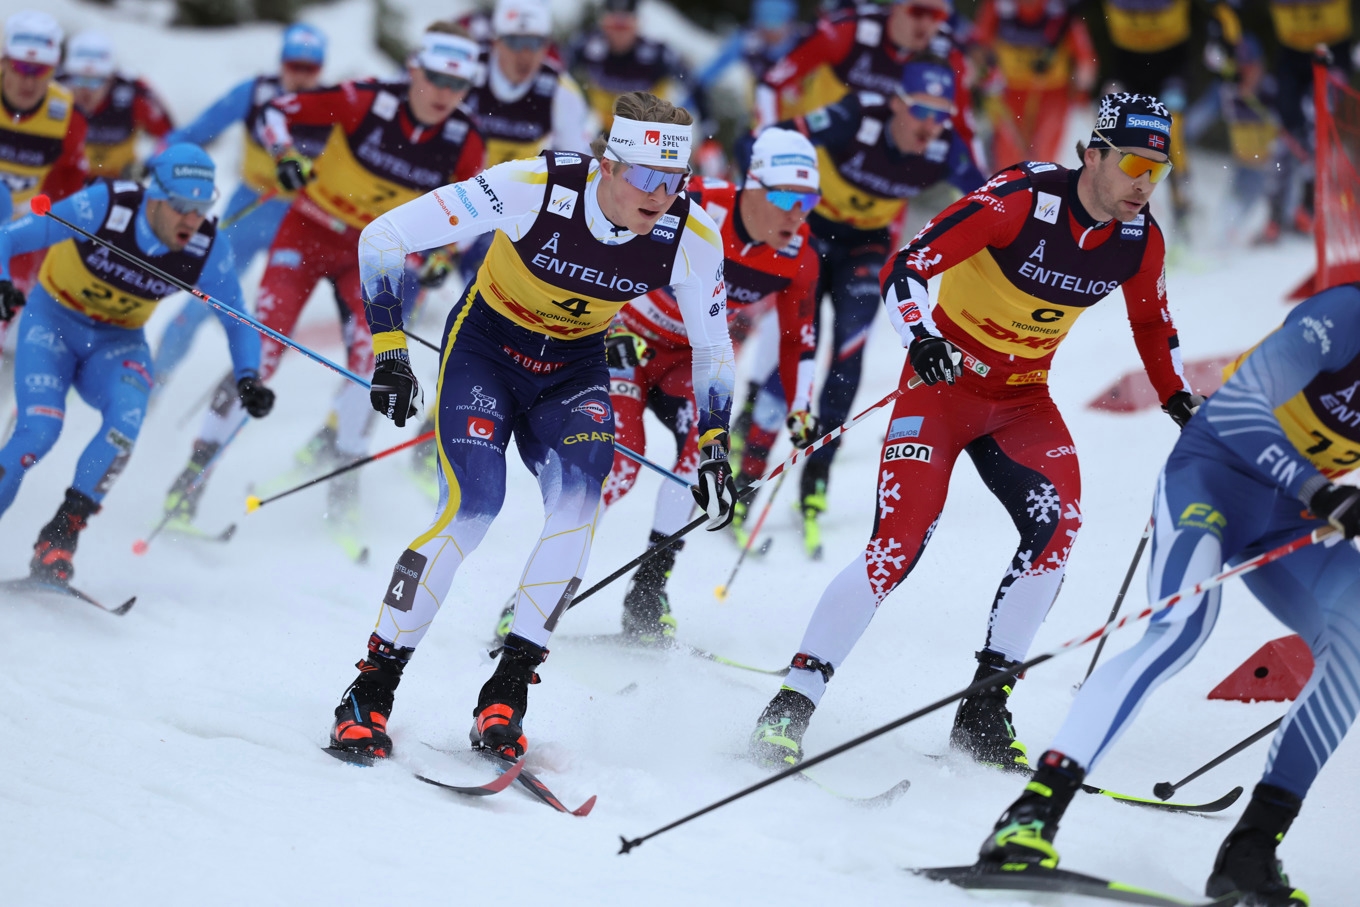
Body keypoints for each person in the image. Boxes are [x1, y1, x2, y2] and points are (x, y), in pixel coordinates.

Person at [749, 93, 1199, 773]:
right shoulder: (1018, 200)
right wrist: (923, 337)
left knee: (1057, 529)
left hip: (1020, 403)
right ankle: (793, 699)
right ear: (1094, 153)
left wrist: (1178, 402)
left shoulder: (1139, 241)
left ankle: (984, 709)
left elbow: (1152, 326)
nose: (1144, 182)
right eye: (1134, 163)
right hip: (941, 392)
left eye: (1158, 170)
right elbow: (911, 264)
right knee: (895, 547)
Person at [326, 91, 734, 763]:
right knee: (472, 507)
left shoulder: (689, 237)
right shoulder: (532, 187)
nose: (660, 196)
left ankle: (507, 692)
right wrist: (391, 347)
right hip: (485, 351)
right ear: (608, 165)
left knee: (579, 509)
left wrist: (715, 440)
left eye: (675, 181)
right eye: (646, 178)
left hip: (572, 370)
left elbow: (714, 347)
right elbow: (384, 237)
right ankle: (371, 688)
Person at [978, 284, 1360, 907]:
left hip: (1295, 516)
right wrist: (1318, 489)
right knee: (1181, 630)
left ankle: (1251, 851)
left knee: (1355, 646)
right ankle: (1031, 815)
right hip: (1213, 479)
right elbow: (1237, 412)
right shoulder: (1345, 316)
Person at [160, 24, 485, 552]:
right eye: (437, 78)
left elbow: (467, 205)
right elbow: (276, 109)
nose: (445, 94)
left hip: (374, 253)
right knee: (262, 352)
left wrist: (441, 256)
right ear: (416, 71)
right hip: (308, 231)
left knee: (378, 360)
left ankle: (343, 491)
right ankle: (188, 484)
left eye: (459, 84)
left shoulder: (465, 139)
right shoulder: (365, 99)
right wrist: (285, 154)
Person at [492, 126, 821, 644]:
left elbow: (797, 341)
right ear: (751, 185)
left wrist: (802, 407)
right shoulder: (696, 204)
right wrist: (605, 324)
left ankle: (649, 590)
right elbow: (605, 241)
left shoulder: (799, 257)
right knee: (616, 468)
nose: (797, 213)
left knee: (702, 459)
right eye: (785, 196)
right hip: (625, 340)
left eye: (810, 199)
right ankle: (533, 594)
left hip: (687, 360)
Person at [738, 56, 985, 559]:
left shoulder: (944, 146)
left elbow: (991, 204)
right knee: (797, 348)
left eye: (941, 114)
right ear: (897, 102)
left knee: (848, 361)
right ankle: (747, 476)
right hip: (811, 234)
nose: (929, 125)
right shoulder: (859, 114)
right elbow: (780, 136)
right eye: (920, 110)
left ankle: (816, 480)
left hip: (865, 248)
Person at [0, 145, 271, 583]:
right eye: (182, 207)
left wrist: (248, 377)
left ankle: (60, 537)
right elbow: (10, 236)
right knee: (40, 431)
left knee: (126, 419)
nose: (192, 219)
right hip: (52, 324)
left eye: (202, 207)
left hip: (117, 341)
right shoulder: (105, 205)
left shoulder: (206, 247)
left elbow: (239, 321)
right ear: (154, 197)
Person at [151, 23, 329, 390]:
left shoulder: (332, 104)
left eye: (309, 69)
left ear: (321, 70)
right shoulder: (257, 92)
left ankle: (249, 386)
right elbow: (203, 127)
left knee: (277, 309)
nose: (299, 76)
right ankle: (156, 377)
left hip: (299, 218)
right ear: (282, 62)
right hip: (250, 207)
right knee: (203, 299)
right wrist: (160, 157)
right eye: (293, 65)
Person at [1092, 0, 1242, 229]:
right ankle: (1102, 214)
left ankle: (1183, 211)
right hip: (1126, 68)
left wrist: (1226, 43)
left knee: (1170, 131)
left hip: (1171, 69)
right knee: (1112, 129)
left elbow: (1222, 8)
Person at [754, 0, 975, 153]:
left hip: (879, 176)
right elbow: (771, 84)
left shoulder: (948, 53)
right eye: (917, 11)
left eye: (938, 15)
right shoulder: (849, 31)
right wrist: (769, 143)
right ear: (896, 7)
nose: (927, 24)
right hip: (812, 149)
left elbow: (964, 127)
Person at [0, 11, 88, 294]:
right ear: (4, 62)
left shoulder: (67, 116)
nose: (30, 81)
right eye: (22, 68)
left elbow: (69, 178)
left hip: (19, 227)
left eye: (41, 71)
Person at [971, 0, 1095, 169]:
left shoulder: (1061, 9)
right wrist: (986, 79)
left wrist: (1081, 90)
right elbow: (980, 45)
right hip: (1008, 93)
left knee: (1042, 158)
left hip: (1051, 95)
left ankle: (1037, 191)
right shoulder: (998, 6)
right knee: (1008, 159)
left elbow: (1086, 62)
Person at [568, 0, 703, 133]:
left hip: (653, 132)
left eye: (624, 28)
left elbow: (693, 84)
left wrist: (707, 132)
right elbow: (558, 72)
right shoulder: (589, 47)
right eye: (613, 27)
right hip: (610, 131)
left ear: (636, 26)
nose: (619, 34)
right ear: (603, 26)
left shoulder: (655, 54)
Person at [59, 31, 175, 180]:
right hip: (66, 182)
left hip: (120, 183)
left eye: (96, 80)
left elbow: (172, 138)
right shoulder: (54, 87)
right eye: (80, 78)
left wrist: (150, 165)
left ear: (111, 78)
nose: (86, 89)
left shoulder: (134, 92)